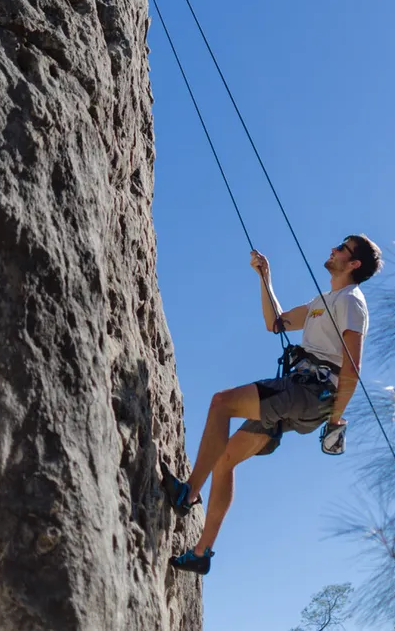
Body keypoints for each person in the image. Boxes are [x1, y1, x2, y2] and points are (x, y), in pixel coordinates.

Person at [162, 234, 383, 575]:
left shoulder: (352, 301)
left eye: (342, 248)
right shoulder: (322, 301)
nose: (333, 248)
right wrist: (265, 278)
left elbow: (352, 366)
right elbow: (276, 323)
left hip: (310, 392)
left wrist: (336, 420)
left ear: (353, 264)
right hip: (302, 398)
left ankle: (189, 492)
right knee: (225, 460)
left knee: (222, 403)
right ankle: (202, 551)